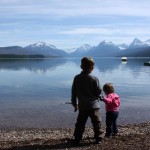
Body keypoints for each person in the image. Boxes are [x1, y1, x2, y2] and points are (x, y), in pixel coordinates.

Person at [71, 57, 103, 144]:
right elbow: (98, 92)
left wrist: (74, 103)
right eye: (93, 66)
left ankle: (77, 138)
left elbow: (74, 92)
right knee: (97, 123)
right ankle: (98, 138)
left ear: (81, 66)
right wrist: (100, 96)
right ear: (92, 68)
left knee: (80, 123)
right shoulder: (94, 78)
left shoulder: (76, 78)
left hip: (83, 106)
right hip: (94, 106)